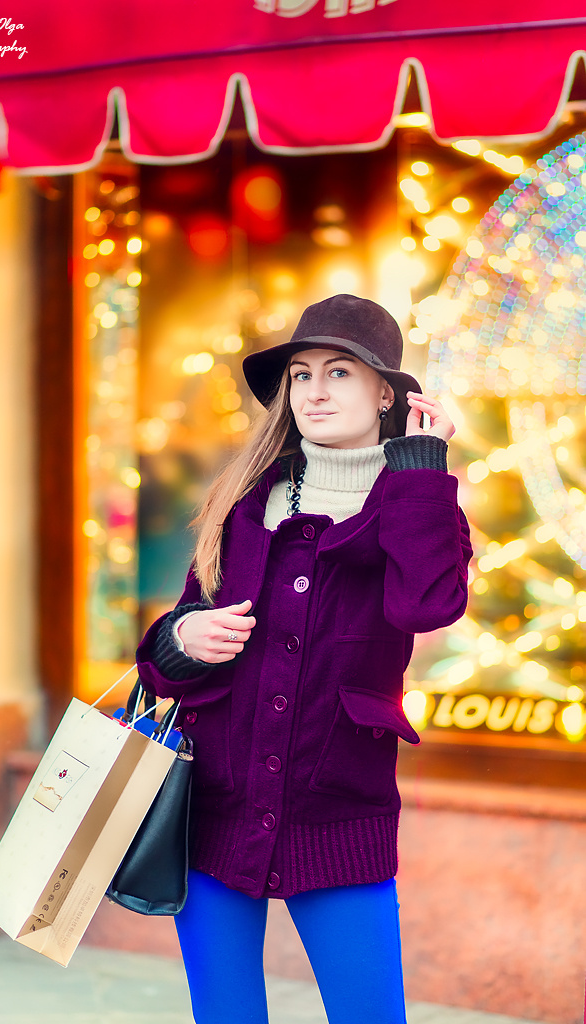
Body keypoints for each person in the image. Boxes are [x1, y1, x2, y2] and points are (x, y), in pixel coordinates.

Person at [136, 293, 472, 1024]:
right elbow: (159, 663)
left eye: (340, 373)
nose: (315, 390)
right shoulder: (242, 502)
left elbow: (426, 607)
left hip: (338, 818)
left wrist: (421, 467)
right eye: (300, 374)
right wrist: (181, 640)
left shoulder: (418, 501)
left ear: (386, 391)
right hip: (213, 811)